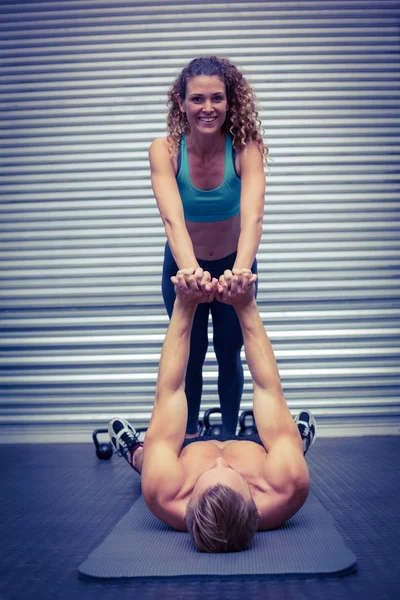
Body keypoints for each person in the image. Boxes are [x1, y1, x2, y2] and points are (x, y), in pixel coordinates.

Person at [108, 269, 316, 553]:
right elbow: (267, 388)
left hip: (184, 460)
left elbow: (169, 391)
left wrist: (184, 306)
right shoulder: (287, 485)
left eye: (216, 469)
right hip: (257, 453)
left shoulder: (164, 491)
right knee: (287, 447)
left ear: (188, 504)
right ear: (254, 506)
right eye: (230, 470)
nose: (220, 461)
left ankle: (136, 452)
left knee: (153, 463)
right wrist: (246, 305)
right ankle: (298, 440)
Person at [149, 55, 267, 437]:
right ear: (181, 102)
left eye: (217, 98)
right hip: (184, 267)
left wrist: (241, 273)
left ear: (230, 101)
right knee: (190, 354)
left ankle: (230, 439)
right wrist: (190, 273)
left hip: (235, 262)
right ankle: (187, 441)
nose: (208, 108)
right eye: (197, 99)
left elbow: (252, 218)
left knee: (230, 353)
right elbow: (173, 220)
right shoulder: (164, 151)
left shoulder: (245, 149)